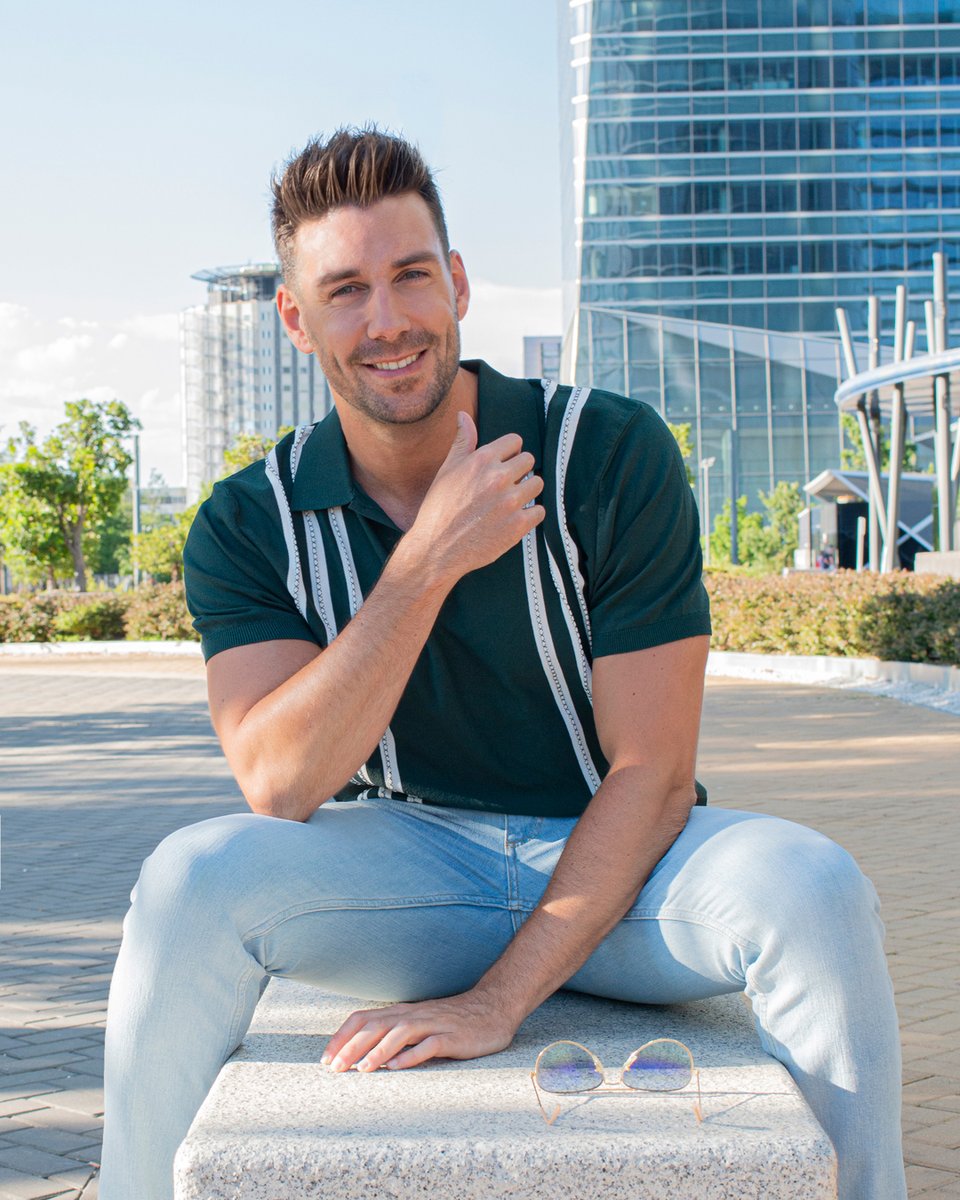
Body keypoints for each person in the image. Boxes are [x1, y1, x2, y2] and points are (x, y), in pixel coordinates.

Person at [100, 127, 905, 1200]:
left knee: (814, 887)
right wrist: (426, 562)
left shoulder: (607, 454)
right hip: (410, 867)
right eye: (344, 290)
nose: (387, 321)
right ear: (295, 319)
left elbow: (654, 774)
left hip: (627, 872)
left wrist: (498, 1003)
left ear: (459, 284)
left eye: (411, 276)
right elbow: (280, 781)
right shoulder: (250, 521)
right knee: (184, 883)